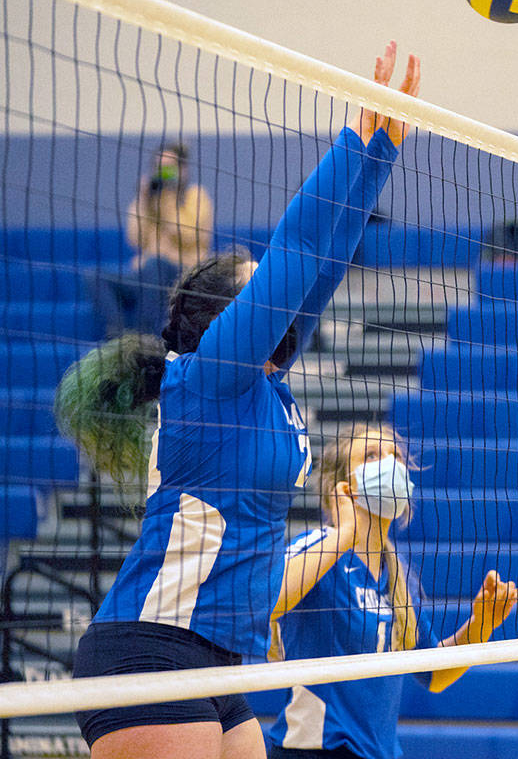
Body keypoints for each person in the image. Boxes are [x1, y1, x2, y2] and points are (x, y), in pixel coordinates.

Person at [60, 41, 421, 759]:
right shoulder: (206, 376)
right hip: (152, 646)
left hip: (223, 656)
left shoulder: (264, 384)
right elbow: (294, 252)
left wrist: (384, 148)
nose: (275, 295)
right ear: (228, 314)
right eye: (254, 287)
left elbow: (320, 263)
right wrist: (353, 136)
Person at [263, 423, 518, 759]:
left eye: (395, 455)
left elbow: (433, 674)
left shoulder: (397, 574)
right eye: (371, 455)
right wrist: (344, 533)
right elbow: (267, 600)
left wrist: (480, 626)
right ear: (344, 485)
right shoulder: (320, 549)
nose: (389, 464)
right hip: (315, 749)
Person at [93, 142, 214, 336]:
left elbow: (188, 235)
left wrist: (167, 201)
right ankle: (119, 335)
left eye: (169, 167)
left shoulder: (196, 196)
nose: (162, 172)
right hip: (149, 273)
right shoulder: (149, 198)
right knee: (96, 276)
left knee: (155, 264)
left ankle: (145, 336)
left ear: (183, 170)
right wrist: (143, 200)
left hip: (185, 273)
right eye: (159, 167)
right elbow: (135, 239)